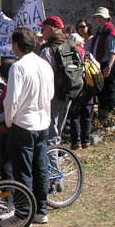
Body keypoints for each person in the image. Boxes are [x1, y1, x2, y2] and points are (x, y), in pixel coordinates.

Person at [3, 27, 54, 225]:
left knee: (23, 171)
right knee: (40, 168)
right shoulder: (44, 64)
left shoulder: (19, 66)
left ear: (16, 45)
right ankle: (41, 210)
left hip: (24, 123)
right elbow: (50, 94)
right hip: (42, 122)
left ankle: (23, 214)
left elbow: (11, 100)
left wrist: (9, 121)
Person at [38, 16, 70, 147]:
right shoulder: (69, 46)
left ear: (51, 30)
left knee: (51, 133)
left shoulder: (47, 50)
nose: (41, 32)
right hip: (69, 92)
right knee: (58, 131)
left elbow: (44, 74)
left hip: (54, 94)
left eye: (43, 28)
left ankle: (53, 165)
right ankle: (58, 157)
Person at [90, 7, 115, 126]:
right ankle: (103, 120)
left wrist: (108, 66)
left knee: (109, 91)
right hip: (100, 65)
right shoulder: (100, 32)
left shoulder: (111, 32)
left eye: (101, 17)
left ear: (107, 18)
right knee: (101, 92)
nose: (98, 20)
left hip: (108, 65)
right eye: (97, 18)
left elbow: (113, 52)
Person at [67, 33, 99, 150]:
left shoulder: (68, 54)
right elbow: (98, 66)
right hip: (87, 87)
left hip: (75, 88)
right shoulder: (86, 53)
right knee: (86, 114)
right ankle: (86, 141)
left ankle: (76, 142)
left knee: (74, 116)